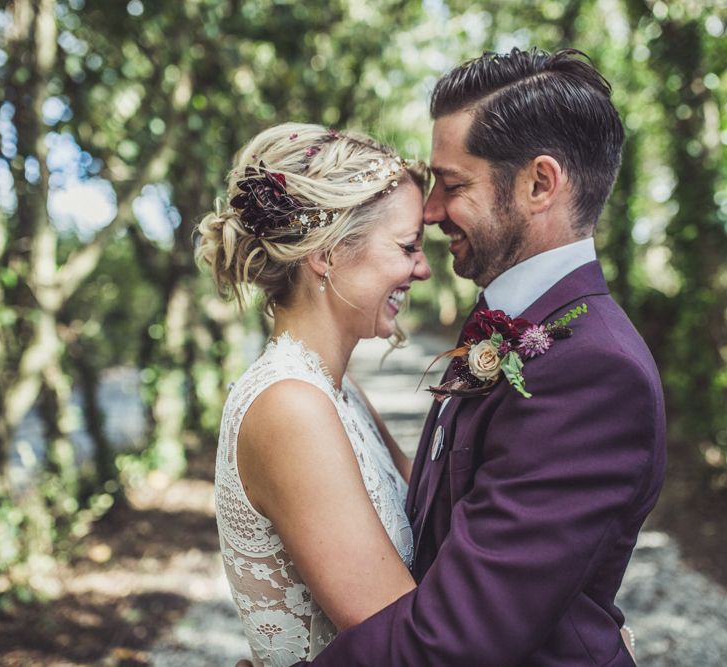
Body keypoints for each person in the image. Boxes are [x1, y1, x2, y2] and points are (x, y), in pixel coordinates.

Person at [287, 47, 666, 666]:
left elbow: (458, 636)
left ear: (540, 183)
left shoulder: (595, 370)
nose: (430, 211)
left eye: (453, 184)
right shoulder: (511, 320)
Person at [195, 123, 432, 667]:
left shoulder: (338, 390)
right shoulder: (290, 406)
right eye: (407, 246)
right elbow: (404, 640)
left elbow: (435, 514)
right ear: (325, 253)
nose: (421, 267)